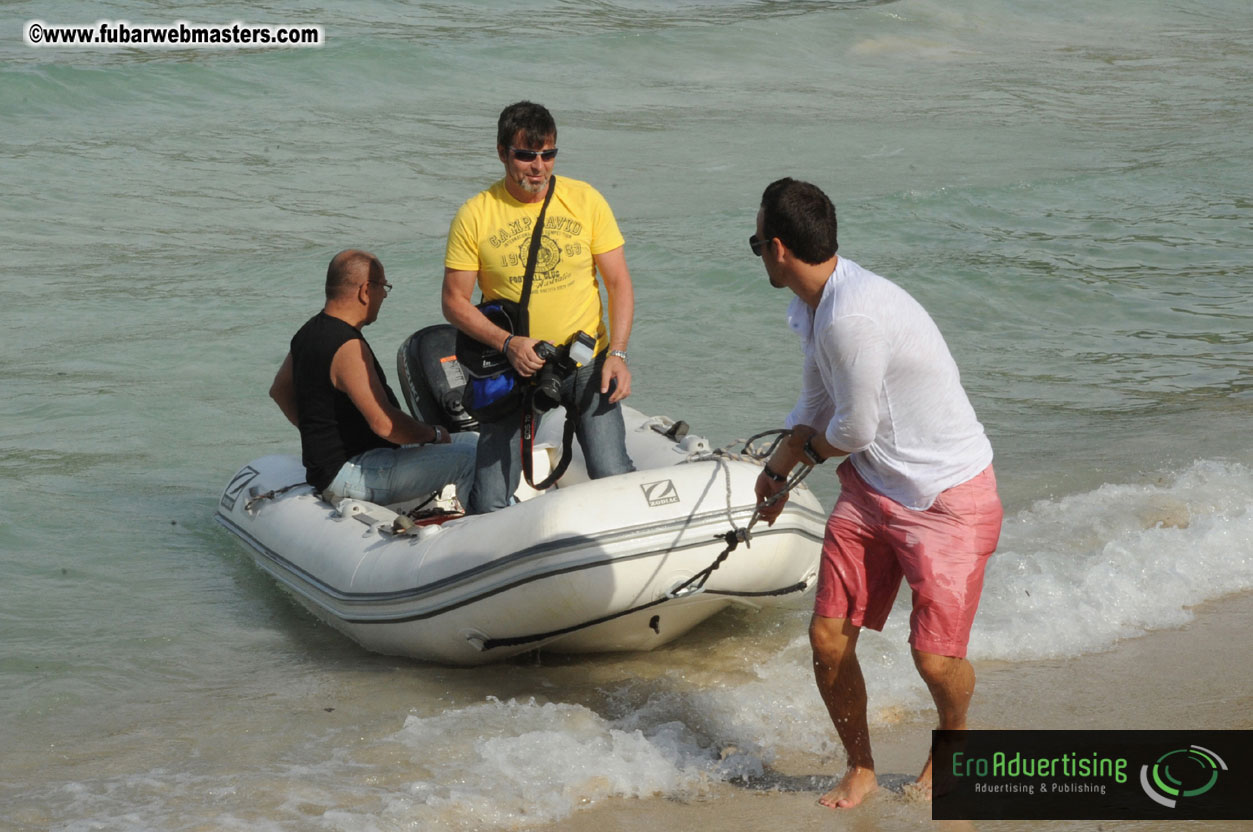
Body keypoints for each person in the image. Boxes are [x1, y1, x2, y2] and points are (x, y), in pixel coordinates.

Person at [750, 178, 1003, 809]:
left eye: (756, 241)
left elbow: (854, 428)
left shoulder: (850, 315)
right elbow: (817, 401)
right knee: (827, 638)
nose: (757, 252)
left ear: (779, 249)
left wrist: (803, 455)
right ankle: (860, 765)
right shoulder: (815, 306)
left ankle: (955, 745)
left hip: (947, 497)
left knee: (935, 661)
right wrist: (777, 471)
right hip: (872, 485)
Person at [442, 100, 635, 513]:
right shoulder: (475, 215)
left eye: (548, 155)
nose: (538, 166)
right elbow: (454, 302)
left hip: (585, 362)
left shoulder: (586, 200)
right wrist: (508, 343)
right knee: (492, 497)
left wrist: (617, 353)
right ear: (502, 152)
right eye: (526, 155)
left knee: (611, 469)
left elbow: (619, 283)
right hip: (514, 367)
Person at [270, 249, 475, 507]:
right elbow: (385, 424)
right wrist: (432, 434)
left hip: (335, 467)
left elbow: (279, 391)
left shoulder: (308, 333)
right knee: (472, 457)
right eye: (384, 287)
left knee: (473, 440)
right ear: (365, 290)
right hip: (357, 471)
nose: (384, 296)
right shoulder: (348, 347)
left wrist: (316, 436)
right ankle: (484, 533)